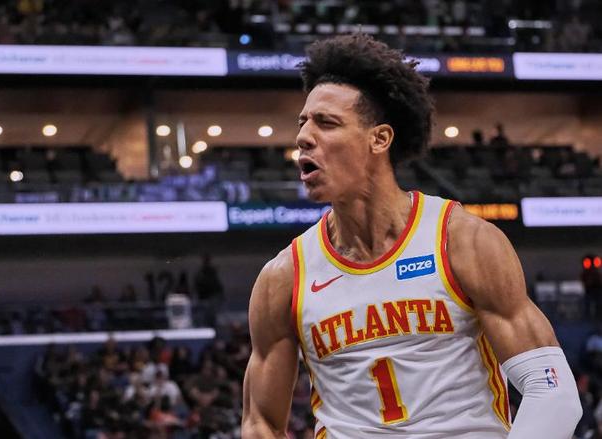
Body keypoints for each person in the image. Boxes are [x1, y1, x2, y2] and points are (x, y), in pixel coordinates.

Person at [242, 34, 581, 439]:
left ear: (379, 139)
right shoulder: (284, 276)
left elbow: (552, 392)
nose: (303, 137)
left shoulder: (462, 241)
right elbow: (260, 423)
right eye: (303, 123)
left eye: (326, 123)